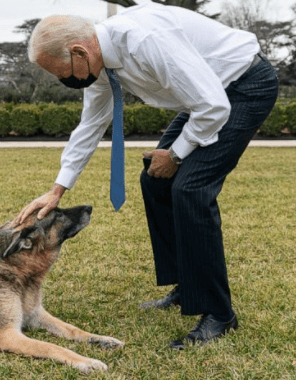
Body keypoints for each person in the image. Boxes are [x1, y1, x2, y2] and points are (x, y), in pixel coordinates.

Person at [14, 3, 278, 349]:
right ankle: (187, 285)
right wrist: (57, 190)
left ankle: (219, 314)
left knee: (190, 189)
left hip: (242, 88)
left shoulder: (145, 40)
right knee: (156, 180)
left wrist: (177, 154)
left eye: (61, 73)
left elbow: (214, 106)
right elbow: (91, 124)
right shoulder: (99, 64)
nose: (64, 81)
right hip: (207, 97)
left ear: (79, 51)